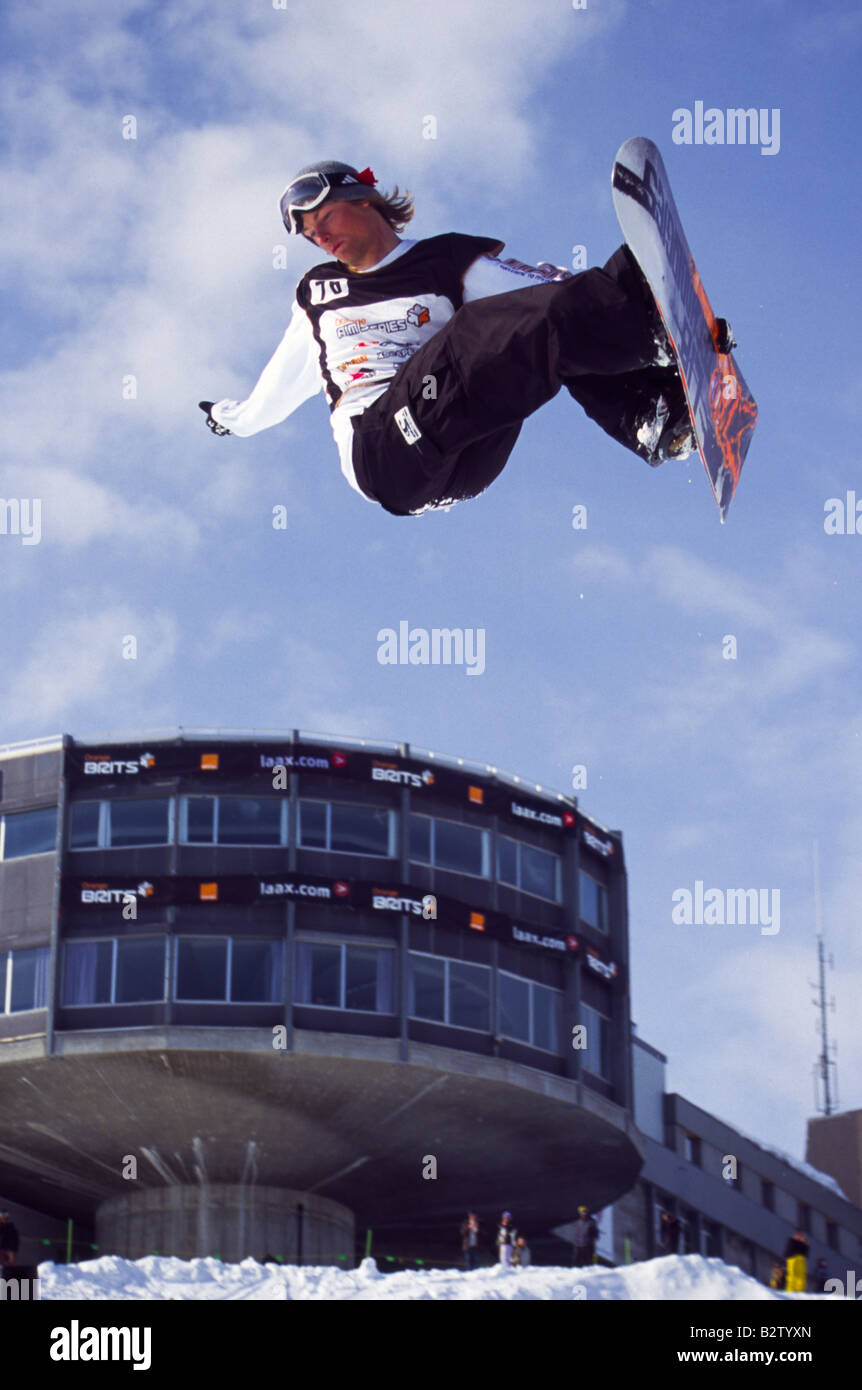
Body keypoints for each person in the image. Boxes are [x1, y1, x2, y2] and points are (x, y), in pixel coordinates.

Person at [199, 160, 696, 518]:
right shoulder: (320, 294)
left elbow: (545, 298)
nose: (320, 237)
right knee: (478, 331)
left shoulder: (445, 261)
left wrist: (649, 309)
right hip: (384, 449)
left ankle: (655, 415)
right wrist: (231, 419)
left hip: (467, 457)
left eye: (325, 218)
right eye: (309, 233)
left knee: (539, 338)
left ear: (363, 199)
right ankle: (644, 319)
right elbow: (278, 386)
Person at [783, 1229, 809, 1294]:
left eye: (801, 1235)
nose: (801, 1237)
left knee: (801, 1277)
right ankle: (790, 1292)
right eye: (799, 1235)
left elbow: (805, 1253)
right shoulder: (792, 1240)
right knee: (792, 1276)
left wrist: (805, 1245)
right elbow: (790, 1250)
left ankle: (800, 1292)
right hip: (793, 1259)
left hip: (801, 1260)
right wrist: (799, 1242)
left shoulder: (803, 1243)